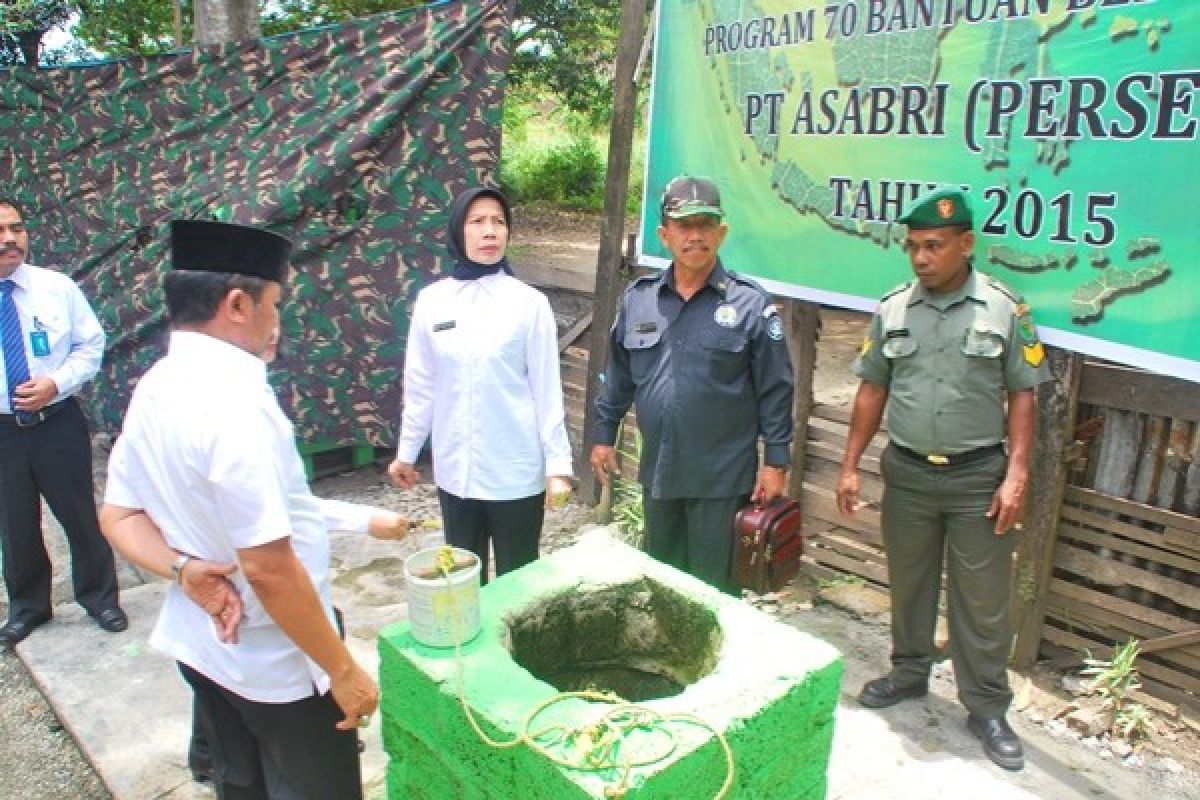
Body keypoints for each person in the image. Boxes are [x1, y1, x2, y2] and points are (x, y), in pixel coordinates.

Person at [99, 219, 377, 799]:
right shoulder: (237, 406)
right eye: (275, 303)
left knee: (240, 785)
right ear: (237, 304)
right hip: (278, 669)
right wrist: (342, 670)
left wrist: (182, 569)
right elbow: (270, 569)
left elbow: (119, 517)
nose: (279, 319)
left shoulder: (156, 384)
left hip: (205, 652)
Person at [836, 187, 1048, 771]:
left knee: (981, 601)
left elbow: (1023, 395)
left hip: (978, 476)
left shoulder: (1004, 310)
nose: (920, 258)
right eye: (912, 247)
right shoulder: (893, 309)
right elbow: (871, 389)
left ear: (966, 244)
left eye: (932, 246)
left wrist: (1018, 473)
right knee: (909, 582)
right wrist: (850, 464)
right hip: (906, 473)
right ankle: (908, 674)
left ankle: (986, 707)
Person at [588, 176, 795, 594]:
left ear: (722, 233)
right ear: (665, 235)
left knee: (714, 591)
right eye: (685, 225)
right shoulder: (639, 298)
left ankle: (719, 661)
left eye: (706, 225)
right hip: (660, 474)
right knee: (662, 583)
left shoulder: (749, 304)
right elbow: (620, 375)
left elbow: (776, 388)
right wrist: (603, 435)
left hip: (721, 480)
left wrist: (776, 462)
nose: (696, 235)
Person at [388, 187, 573, 582]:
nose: (490, 231)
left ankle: (515, 647)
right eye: (478, 222)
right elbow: (421, 385)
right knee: (461, 580)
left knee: (518, 583)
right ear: (459, 231)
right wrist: (406, 452)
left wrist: (558, 467)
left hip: (515, 473)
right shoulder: (432, 301)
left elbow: (546, 390)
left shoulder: (529, 304)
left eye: (499, 222)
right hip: (457, 471)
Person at [0, 197, 125, 648]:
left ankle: (100, 597)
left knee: (79, 514)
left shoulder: (56, 288)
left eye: (16, 227)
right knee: (14, 525)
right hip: (1, 433)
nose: (10, 239)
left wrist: (56, 382)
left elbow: (91, 346)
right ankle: (28, 607)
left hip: (56, 422)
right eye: (0, 231)